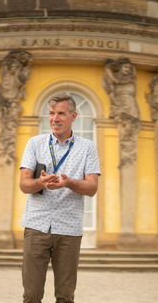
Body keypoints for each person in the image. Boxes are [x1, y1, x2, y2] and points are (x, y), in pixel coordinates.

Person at [19, 94, 101, 303]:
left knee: (65, 296)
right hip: (36, 226)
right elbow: (24, 184)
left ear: (73, 116)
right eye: (52, 113)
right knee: (31, 295)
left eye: (61, 113)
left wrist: (68, 183)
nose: (55, 118)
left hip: (69, 228)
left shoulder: (87, 147)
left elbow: (92, 188)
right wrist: (40, 182)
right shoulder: (35, 143)